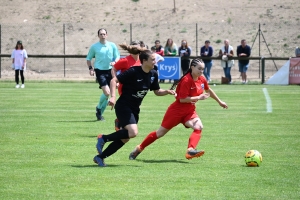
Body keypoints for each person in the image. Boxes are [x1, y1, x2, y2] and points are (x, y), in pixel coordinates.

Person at [129, 58, 228, 160]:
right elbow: (182, 99)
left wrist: (219, 101)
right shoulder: (186, 80)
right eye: (199, 69)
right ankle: (139, 148)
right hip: (176, 111)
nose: (201, 71)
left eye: (203, 69)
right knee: (160, 133)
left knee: (198, 127)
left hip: (189, 111)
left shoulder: (201, 79)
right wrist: (198, 97)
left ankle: (190, 151)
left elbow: (208, 90)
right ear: (192, 67)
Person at [93, 45, 176, 167]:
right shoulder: (133, 71)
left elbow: (157, 91)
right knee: (133, 132)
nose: (155, 61)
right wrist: (113, 97)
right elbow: (113, 80)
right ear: (144, 61)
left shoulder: (153, 73)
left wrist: (167, 91)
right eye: (153, 59)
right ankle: (103, 138)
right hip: (123, 105)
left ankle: (100, 157)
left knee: (125, 138)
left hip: (135, 109)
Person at [86, 28, 120, 121]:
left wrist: (115, 62)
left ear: (107, 35)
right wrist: (90, 68)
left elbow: (117, 56)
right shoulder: (94, 47)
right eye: (101, 34)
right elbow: (88, 58)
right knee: (107, 92)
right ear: (98, 36)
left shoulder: (112, 45)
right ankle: (99, 108)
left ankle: (99, 111)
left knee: (106, 95)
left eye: (104, 34)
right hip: (100, 71)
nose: (102, 35)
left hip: (110, 70)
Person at [112, 40, 142, 131]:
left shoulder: (142, 60)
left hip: (137, 89)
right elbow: (114, 68)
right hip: (125, 88)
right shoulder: (125, 60)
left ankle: (120, 122)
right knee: (126, 106)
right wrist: (116, 80)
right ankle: (122, 125)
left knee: (135, 106)